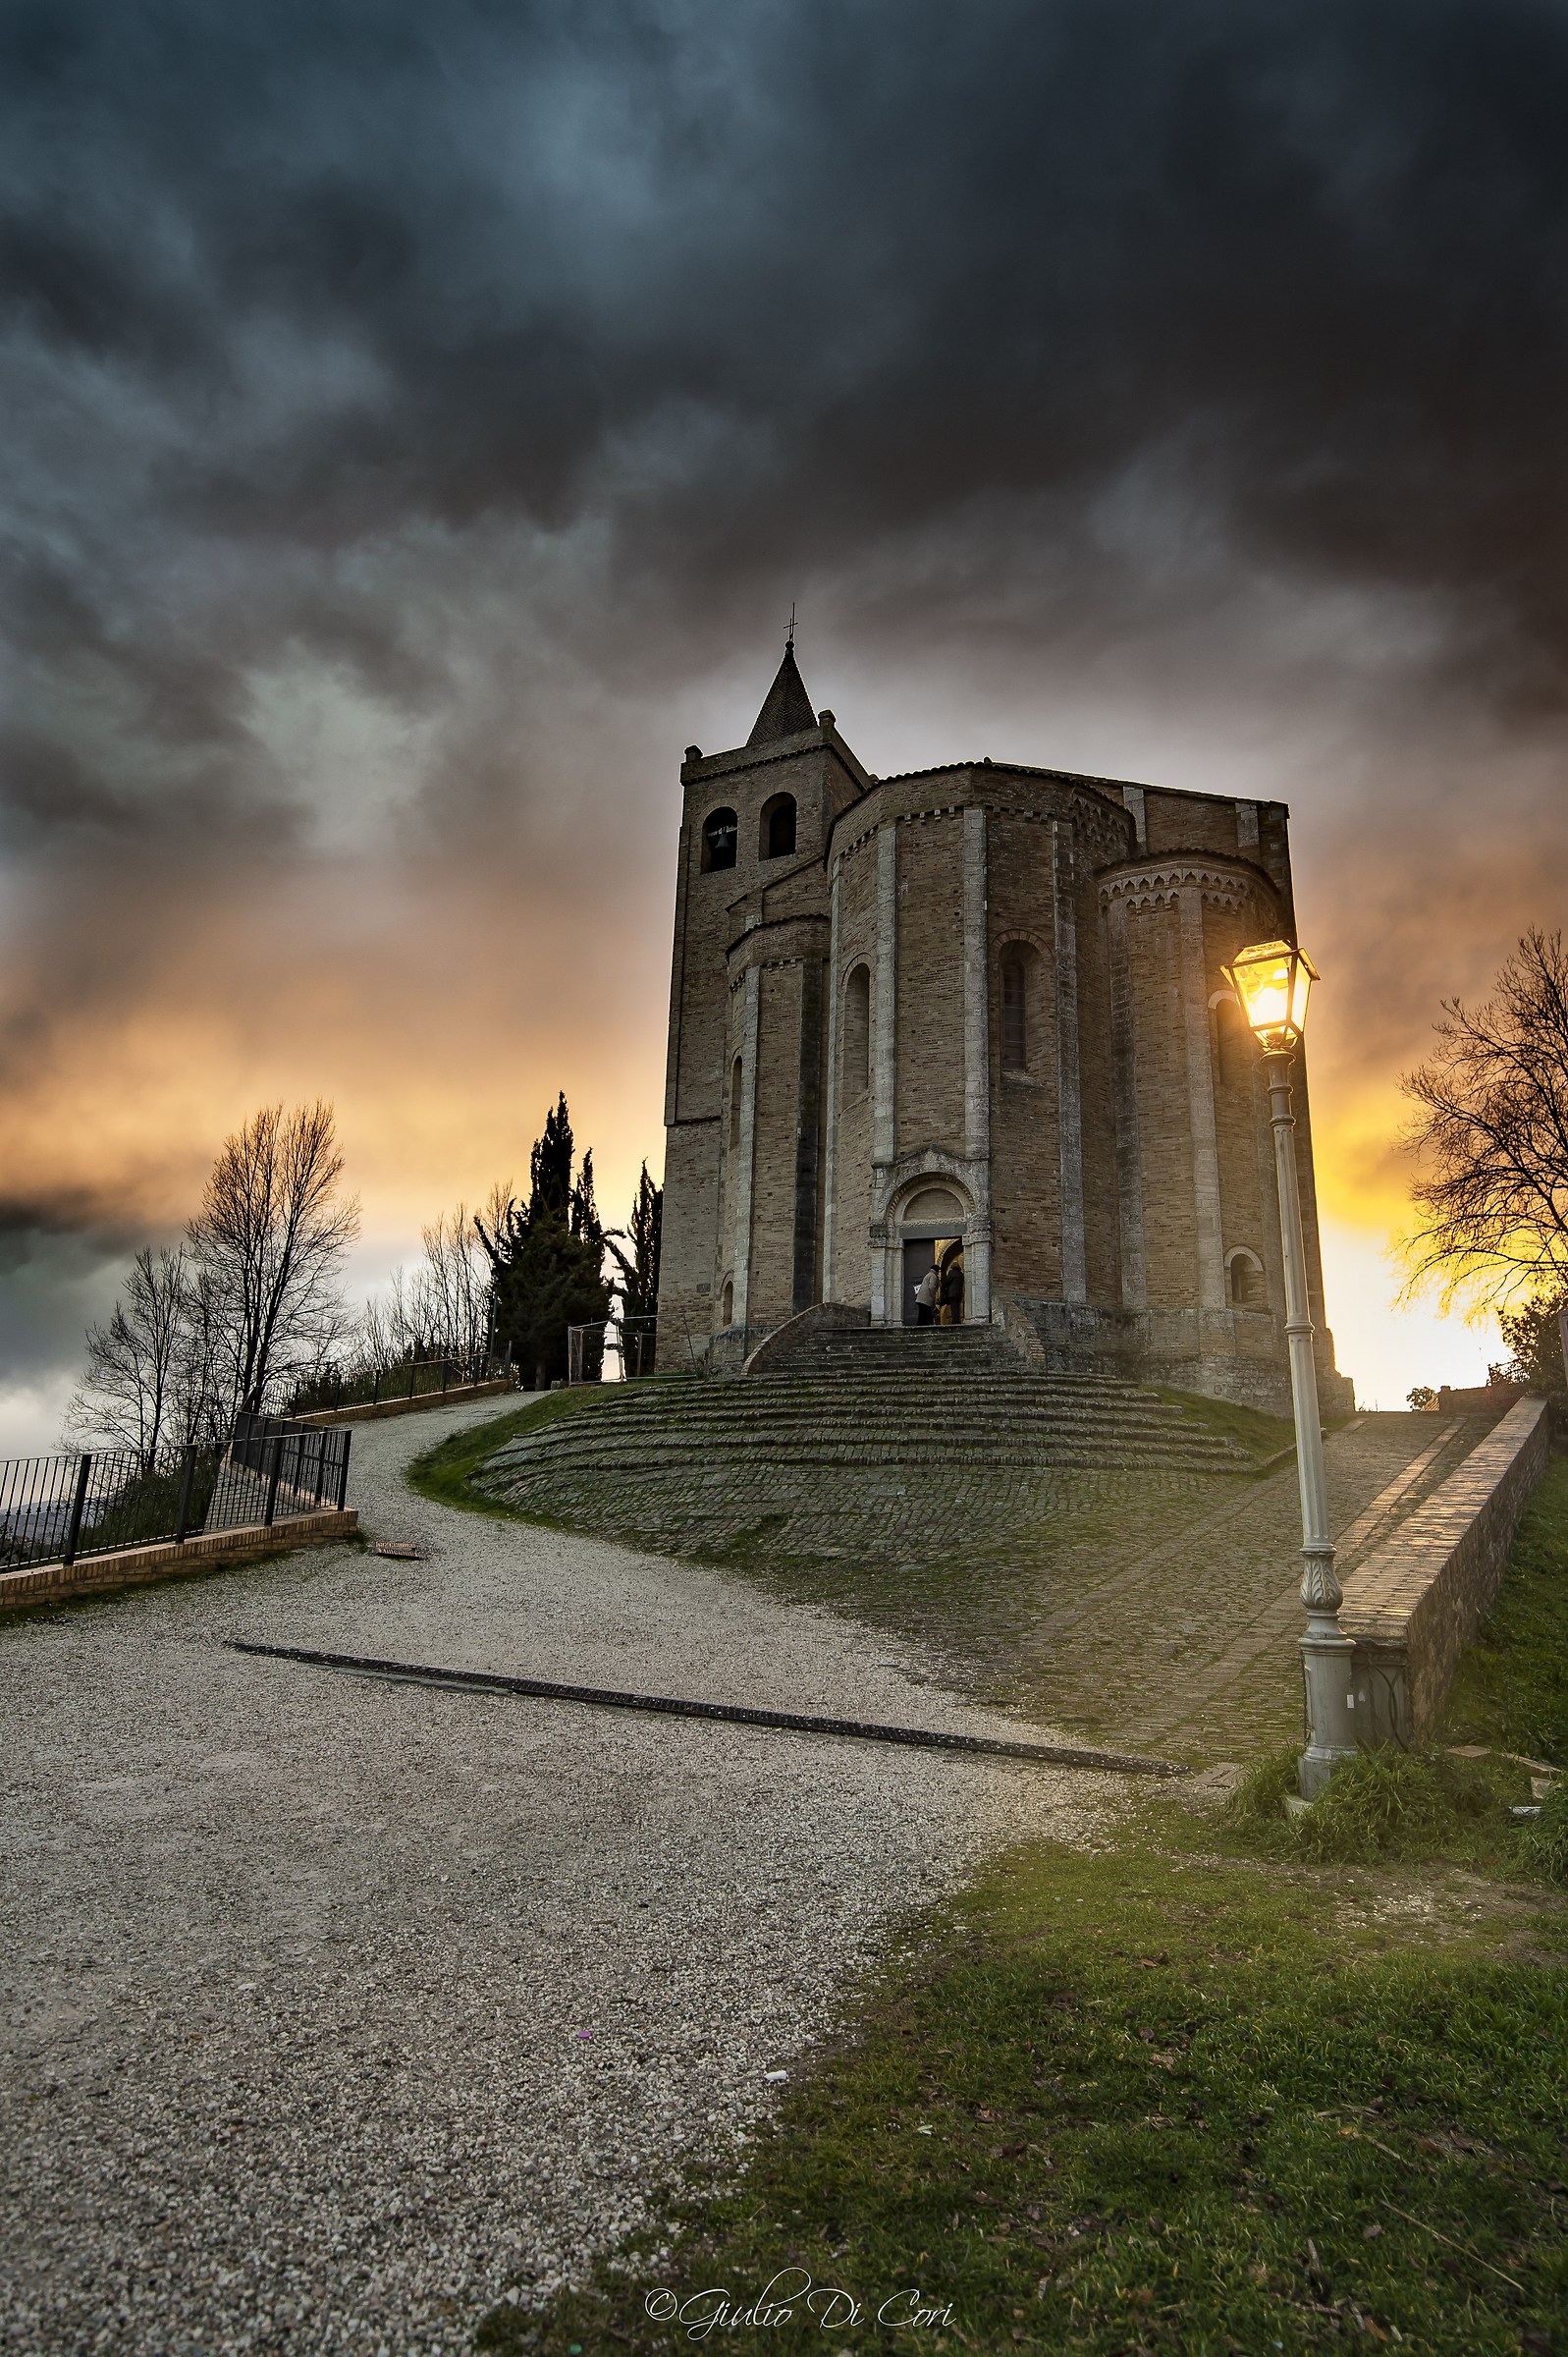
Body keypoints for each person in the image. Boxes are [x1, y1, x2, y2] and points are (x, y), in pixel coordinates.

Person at [939, 1253, 964, 1326]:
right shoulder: (961, 1274)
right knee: (957, 1307)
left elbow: (947, 1281)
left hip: (952, 1293)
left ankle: (955, 1321)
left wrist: (943, 1287)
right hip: (959, 1293)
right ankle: (958, 1320)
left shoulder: (952, 1273)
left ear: (952, 1267)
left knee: (953, 1307)